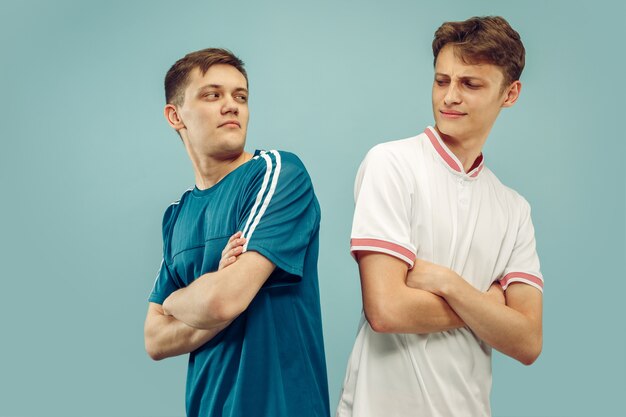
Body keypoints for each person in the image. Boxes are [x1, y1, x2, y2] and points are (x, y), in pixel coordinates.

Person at [336, 16, 543, 417]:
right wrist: (488, 307)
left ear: (510, 93)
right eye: (441, 80)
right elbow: (386, 310)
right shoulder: (391, 164)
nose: (449, 97)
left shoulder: (514, 209)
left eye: (470, 84)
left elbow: (528, 340)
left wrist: (449, 284)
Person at [143, 48, 330, 417]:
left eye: (240, 96)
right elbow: (155, 339)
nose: (232, 106)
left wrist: (176, 301)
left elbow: (221, 303)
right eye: (212, 95)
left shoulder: (276, 174)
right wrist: (216, 284)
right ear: (174, 115)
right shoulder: (177, 216)